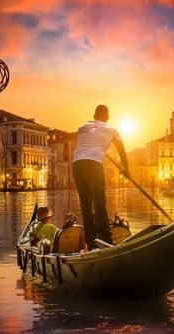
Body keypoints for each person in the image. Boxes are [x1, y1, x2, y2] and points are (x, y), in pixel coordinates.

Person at [72, 105, 129, 249]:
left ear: (94, 115)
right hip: (93, 164)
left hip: (77, 164)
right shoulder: (112, 131)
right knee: (99, 201)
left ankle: (91, 241)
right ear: (107, 117)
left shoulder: (83, 126)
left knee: (85, 204)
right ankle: (105, 237)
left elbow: (91, 138)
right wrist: (126, 169)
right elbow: (122, 152)